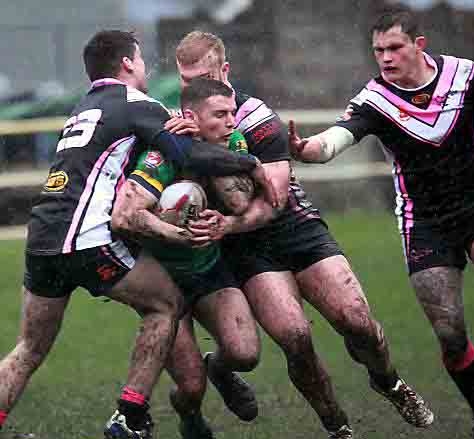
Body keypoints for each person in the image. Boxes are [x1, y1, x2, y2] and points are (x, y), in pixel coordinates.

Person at [0, 30, 276, 439]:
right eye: (141, 58)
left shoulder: (82, 108)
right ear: (128, 64)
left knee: (29, 349)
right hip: (87, 237)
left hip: (43, 234)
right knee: (165, 304)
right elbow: (184, 153)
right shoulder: (138, 104)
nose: (146, 65)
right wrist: (250, 163)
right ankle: (129, 417)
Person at [288, 10, 474, 439]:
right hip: (424, 223)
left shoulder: (463, 76)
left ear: (419, 44)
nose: (385, 58)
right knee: (450, 333)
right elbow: (335, 139)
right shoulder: (375, 99)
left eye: (394, 48)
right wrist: (305, 148)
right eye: (378, 51)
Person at [172, 31, 434, 439]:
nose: (195, 88)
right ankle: (338, 428)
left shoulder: (256, 117)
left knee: (357, 321)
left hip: (295, 228)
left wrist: (228, 220)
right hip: (248, 251)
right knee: (295, 337)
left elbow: (274, 199)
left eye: (203, 76)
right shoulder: (174, 129)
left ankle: (389, 383)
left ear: (225, 71)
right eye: (186, 81)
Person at [112, 78, 263, 439]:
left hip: (210, 270)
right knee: (191, 388)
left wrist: (207, 150)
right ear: (190, 116)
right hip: (164, 279)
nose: (231, 121)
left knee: (245, 354)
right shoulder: (160, 154)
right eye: (220, 114)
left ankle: (221, 370)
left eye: (232, 112)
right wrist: (168, 228)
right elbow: (126, 215)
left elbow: (240, 203)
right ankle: (189, 417)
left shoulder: (235, 142)